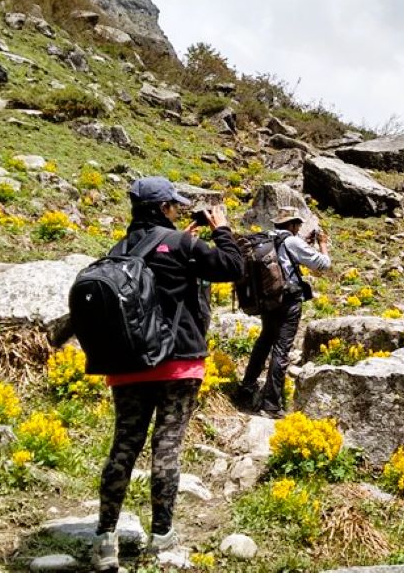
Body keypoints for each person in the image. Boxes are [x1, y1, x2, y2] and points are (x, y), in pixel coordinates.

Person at [91, 177, 243, 572]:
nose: (177, 211)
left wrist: (182, 243)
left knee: (124, 445)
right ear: (162, 209)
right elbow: (232, 266)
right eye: (173, 206)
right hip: (178, 363)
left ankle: (106, 539)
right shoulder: (181, 244)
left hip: (127, 366)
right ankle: (161, 537)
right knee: (167, 446)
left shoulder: (118, 249)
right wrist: (221, 228)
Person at [238, 207, 331, 417]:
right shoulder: (292, 241)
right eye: (297, 224)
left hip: (268, 300)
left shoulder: (267, 239)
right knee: (281, 349)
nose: (299, 228)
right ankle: (271, 404)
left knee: (264, 341)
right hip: (288, 302)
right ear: (292, 225)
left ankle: (247, 386)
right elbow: (323, 264)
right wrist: (322, 244)